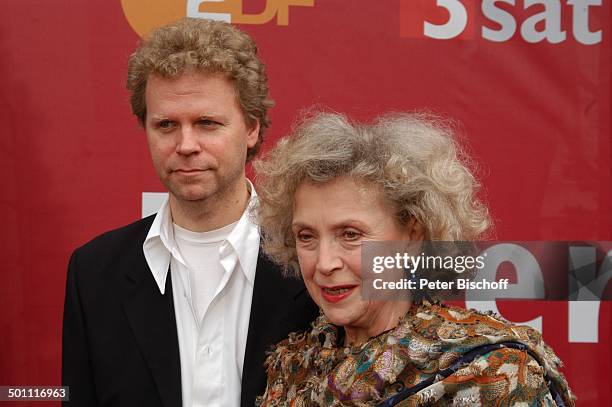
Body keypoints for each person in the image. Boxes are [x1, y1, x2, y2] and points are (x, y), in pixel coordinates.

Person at [62, 18, 318, 407]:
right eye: (166, 124)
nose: (185, 145)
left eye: (206, 123)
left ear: (251, 128)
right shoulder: (94, 272)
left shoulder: (317, 258)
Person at [254, 112, 575, 406]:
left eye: (350, 234)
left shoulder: (492, 371)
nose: (324, 263)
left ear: (413, 234)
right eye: (306, 236)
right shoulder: (293, 367)